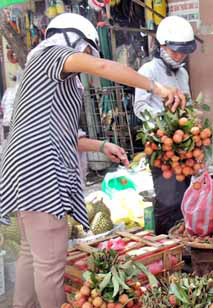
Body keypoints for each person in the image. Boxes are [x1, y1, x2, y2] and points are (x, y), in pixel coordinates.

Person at [0, 13, 185, 308]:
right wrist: (156, 87)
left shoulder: (42, 75)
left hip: (23, 170)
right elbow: (101, 66)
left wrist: (102, 144)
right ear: (71, 39)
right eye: (85, 51)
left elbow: (59, 133)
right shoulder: (52, 54)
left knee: (31, 253)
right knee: (50, 264)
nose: (85, 59)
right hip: (40, 173)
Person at [133, 16, 196, 235]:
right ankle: (165, 245)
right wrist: (165, 122)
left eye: (184, 51)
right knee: (168, 199)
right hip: (161, 147)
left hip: (182, 146)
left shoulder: (184, 73)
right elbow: (140, 107)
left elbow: (186, 103)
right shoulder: (148, 71)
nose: (180, 56)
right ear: (162, 46)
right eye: (175, 51)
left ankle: (182, 244)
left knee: (184, 196)